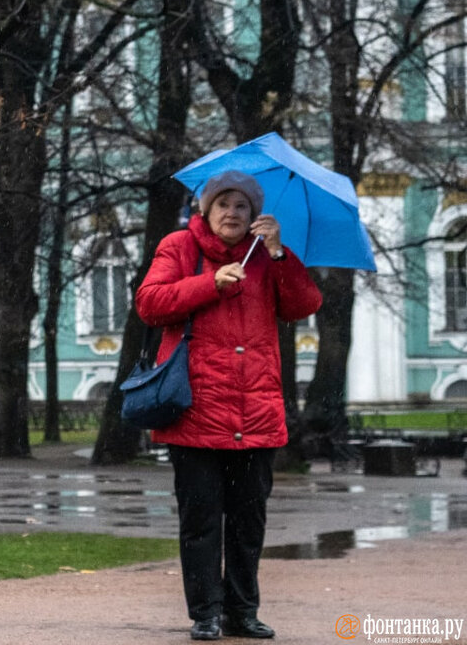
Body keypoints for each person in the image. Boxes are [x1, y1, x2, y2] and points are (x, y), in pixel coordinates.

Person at [135, 170, 322, 642]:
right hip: (194, 412)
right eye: (223, 204)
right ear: (205, 209)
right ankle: (207, 613)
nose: (232, 214)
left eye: (242, 206)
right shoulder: (179, 247)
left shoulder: (267, 258)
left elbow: (304, 304)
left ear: (254, 215)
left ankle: (243, 610)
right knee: (200, 522)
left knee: (247, 522)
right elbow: (150, 303)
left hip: (255, 415)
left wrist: (279, 254)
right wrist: (209, 283)